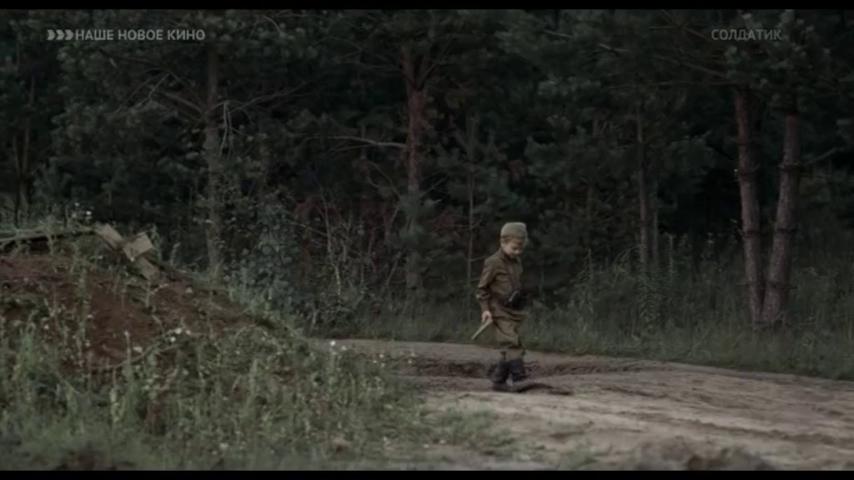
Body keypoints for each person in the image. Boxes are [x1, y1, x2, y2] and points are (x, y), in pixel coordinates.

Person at [475, 222, 529, 391]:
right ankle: (520, 379)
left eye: (520, 249)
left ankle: (498, 381)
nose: (517, 252)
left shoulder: (516, 262)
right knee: (512, 343)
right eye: (514, 248)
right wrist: (485, 310)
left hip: (513, 310)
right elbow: (482, 289)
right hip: (498, 310)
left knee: (510, 344)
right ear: (503, 242)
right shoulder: (493, 262)